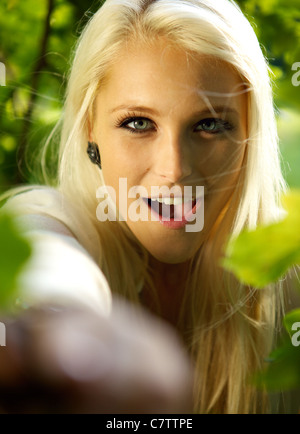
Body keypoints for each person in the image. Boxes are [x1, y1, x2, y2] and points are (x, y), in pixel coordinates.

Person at [0, 0, 289, 414]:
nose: (174, 170)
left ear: (249, 132)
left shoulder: (288, 268)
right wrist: (60, 326)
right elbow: (48, 260)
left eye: (208, 124)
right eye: (138, 123)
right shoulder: (54, 221)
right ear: (90, 128)